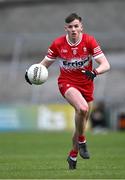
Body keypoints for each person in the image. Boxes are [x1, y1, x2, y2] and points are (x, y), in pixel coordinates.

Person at [25, 13, 110, 170]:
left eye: (76, 26)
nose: (73, 29)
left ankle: (72, 155)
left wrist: (95, 72)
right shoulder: (58, 44)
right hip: (67, 84)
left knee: (80, 123)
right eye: (70, 27)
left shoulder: (89, 41)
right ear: (66, 28)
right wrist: (30, 74)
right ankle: (83, 141)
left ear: (81, 27)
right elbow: (43, 65)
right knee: (83, 109)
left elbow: (105, 64)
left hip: (87, 85)